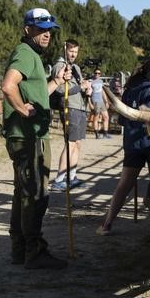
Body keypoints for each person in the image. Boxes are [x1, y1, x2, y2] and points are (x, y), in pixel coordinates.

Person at [1, 8, 71, 269]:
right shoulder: (25, 54)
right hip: (29, 137)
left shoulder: (32, 57)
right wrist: (21, 109)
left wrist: (55, 81)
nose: (46, 34)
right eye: (40, 29)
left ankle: (19, 249)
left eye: (49, 29)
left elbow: (38, 93)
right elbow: (8, 86)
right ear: (27, 29)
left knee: (23, 192)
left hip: (25, 136)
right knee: (35, 193)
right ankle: (35, 252)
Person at [96, 59, 150, 235]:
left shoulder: (129, 90)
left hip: (132, 143)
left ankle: (107, 223)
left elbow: (121, 120)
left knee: (124, 183)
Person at [50, 39, 92, 191]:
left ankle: (72, 176)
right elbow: (60, 90)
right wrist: (80, 88)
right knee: (70, 143)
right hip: (69, 107)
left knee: (77, 143)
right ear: (64, 50)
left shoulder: (76, 68)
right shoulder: (59, 66)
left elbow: (79, 87)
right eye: (71, 51)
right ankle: (59, 179)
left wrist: (87, 90)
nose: (73, 54)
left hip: (80, 107)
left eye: (75, 51)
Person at [89, 68, 111, 139]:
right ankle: (97, 134)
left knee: (106, 117)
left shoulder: (101, 81)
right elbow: (88, 94)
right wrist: (90, 103)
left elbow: (102, 92)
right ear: (94, 73)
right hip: (95, 101)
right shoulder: (91, 82)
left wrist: (106, 101)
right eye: (96, 73)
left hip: (101, 101)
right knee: (96, 117)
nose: (97, 74)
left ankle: (105, 133)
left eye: (99, 73)